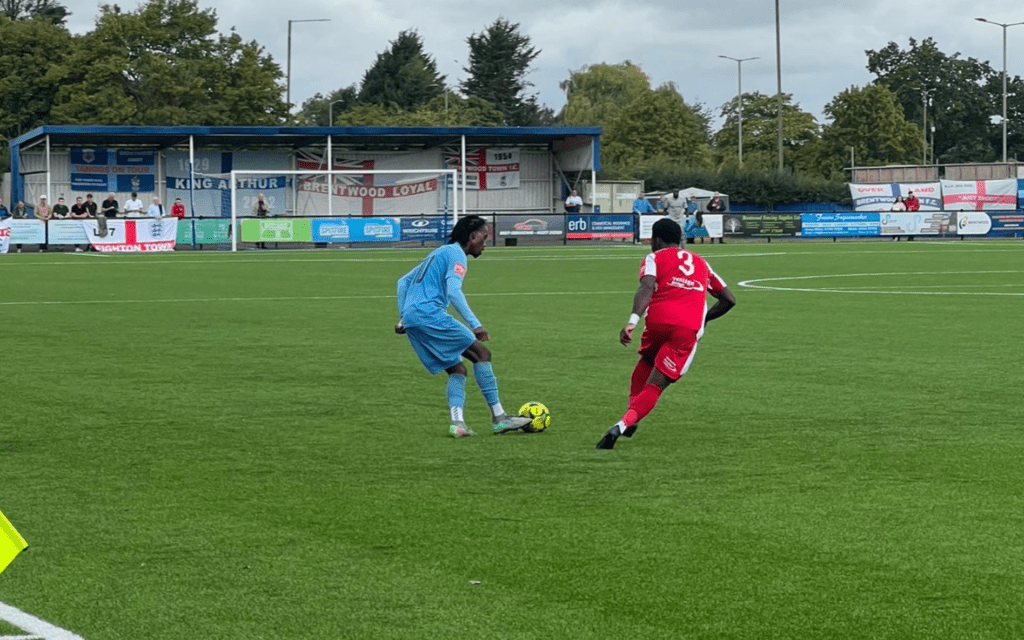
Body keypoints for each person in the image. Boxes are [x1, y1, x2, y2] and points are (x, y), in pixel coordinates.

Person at [596, 218, 736, 450]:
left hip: (658, 321)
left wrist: (632, 322)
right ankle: (622, 425)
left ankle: (632, 415)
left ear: (656, 239)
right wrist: (704, 319)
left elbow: (647, 287)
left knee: (647, 361)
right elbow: (729, 299)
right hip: (686, 328)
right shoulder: (702, 263)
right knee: (656, 384)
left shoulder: (654, 257)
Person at [394, 215, 532, 438]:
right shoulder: (457, 255)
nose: (485, 243)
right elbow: (453, 291)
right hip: (430, 314)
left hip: (413, 319)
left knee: (457, 369)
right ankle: (500, 418)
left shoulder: (439, 252)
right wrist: (475, 324)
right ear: (473, 236)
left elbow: (403, 282)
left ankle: (458, 424)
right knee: (481, 353)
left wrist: (403, 317)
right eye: (484, 238)